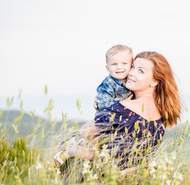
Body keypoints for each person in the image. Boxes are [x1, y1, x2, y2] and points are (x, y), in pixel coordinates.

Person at [54, 51, 182, 168]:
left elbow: (86, 132)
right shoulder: (161, 115)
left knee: (66, 144)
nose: (131, 73)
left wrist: (108, 106)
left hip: (100, 176)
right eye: (133, 67)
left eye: (141, 71)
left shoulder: (124, 108)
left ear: (154, 81)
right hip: (131, 179)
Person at [95, 44, 133, 113]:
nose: (119, 67)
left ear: (131, 65)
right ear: (108, 68)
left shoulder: (132, 80)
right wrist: (123, 104)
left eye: (124, 63)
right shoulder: (108, 84)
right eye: (114, 64)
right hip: (107, 119)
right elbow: (103, 106)